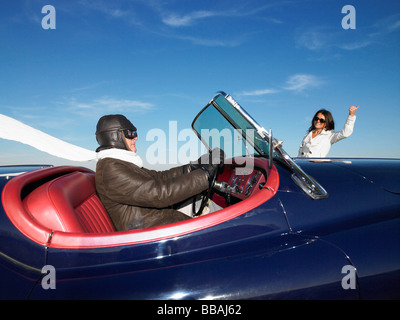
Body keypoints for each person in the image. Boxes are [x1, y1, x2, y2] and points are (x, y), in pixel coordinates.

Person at [94, 114, 224, 231]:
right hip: (149, 232)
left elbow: (159, 176)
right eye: (130, 133)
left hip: (155, 219)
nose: (136, 137)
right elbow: (160, 194)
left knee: (200, 200)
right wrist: (204, 175)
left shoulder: (120, 163)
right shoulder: (111, 169)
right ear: (115, 136)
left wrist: (192, 167)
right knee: (224, 224)